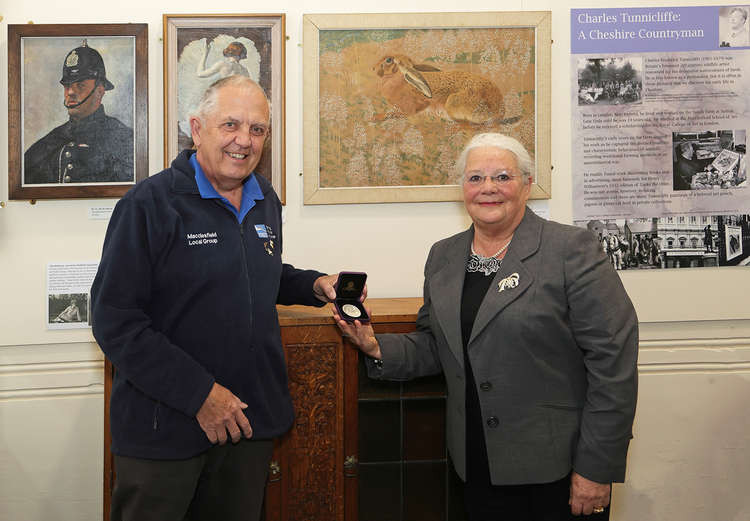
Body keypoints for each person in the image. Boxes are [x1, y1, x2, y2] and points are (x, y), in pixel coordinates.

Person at [335, 133, 638, 521]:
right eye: (475, 178)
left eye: (502, 177)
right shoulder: (443, 256)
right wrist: (374, 345)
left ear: (527, 185)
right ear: (463, 188)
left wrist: (596, 468)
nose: (488, 189)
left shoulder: (571, 250)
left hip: (556, 471)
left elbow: (614, 365)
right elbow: (438, 345)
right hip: (475, 464)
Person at [91, 75, 348, 521]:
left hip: (247, 424)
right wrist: (200, 395)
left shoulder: (264, 197)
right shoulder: (149, 205)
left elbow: (254, 272)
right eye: (230, 125)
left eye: (257, 130)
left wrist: (313, 284)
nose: (243, 141)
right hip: (165, 430)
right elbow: (115, 319)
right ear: (197, 128)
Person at [24, 41, 134, 184]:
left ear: (100, 91)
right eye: (67, 86)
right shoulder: (50, 141)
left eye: (80, 86)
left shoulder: (124, 139)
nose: (70, 92)